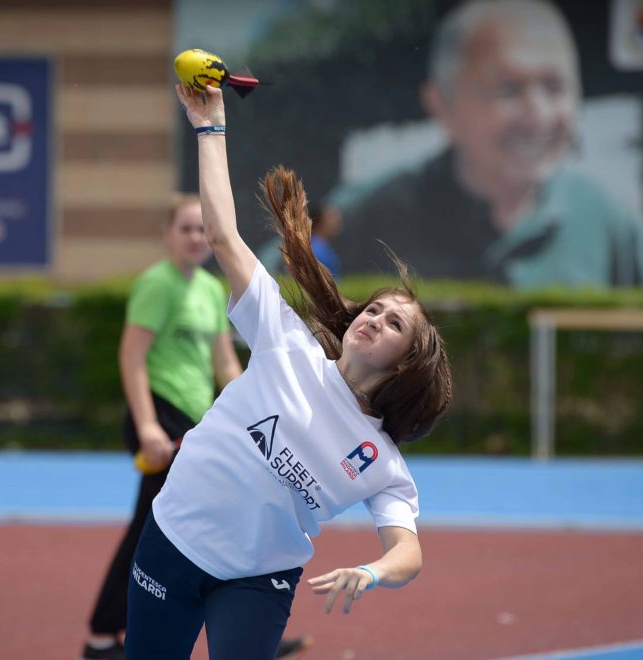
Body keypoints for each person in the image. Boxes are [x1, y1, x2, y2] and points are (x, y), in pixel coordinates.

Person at [123, 83, 452, 659]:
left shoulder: (382, 463)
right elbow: (223, 236)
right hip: (173, 539)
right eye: (374, 309)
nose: (375, 319)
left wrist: (372, 572)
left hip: (257, 580)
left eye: (395, 323)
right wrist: (210, 128)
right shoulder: (285, 341)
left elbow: (408, 553)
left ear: (407, 362)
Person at [80, 195, 310, 660]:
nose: (196, 237)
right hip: (161, 417)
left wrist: (264, 410)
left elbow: (224, 361)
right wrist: (147, 424)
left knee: (180, 523)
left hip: (194, 422)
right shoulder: (156, 284)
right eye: (185, 228)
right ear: (167, 234)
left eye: (202, 229)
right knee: (160, 527)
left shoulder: (209, 289)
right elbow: (132, 357)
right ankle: (103, 634)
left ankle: (241, 625)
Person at [332, 0, 643, 289]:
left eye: (555, 86)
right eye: (508, 89)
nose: (537, 116)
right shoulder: (363, 219)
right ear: (441, 106)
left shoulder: (611, 228)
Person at [257, 202, 344, 279]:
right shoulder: (313, 248)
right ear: (319, 221)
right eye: (331, 219)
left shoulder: (320, 247)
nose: (336, 223)